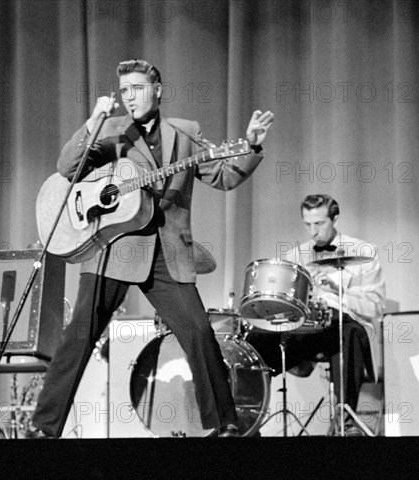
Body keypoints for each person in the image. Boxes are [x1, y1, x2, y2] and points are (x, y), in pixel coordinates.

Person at [28, 59, 274, 438]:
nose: (130, 97)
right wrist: (93, 120)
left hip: (166, 250)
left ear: (157, 90)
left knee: (197, 332)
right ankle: (44, 427)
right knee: (79, 335)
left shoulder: (185, 133)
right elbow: (67, 167)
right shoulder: (110, 131)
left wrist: (252, 145)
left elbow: (224, 177)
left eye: (138, 88)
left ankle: (224, 424)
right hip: (113, 245)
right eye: (124, 91)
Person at [245, 194, 385, 435]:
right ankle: (249, 418)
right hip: (304, 329)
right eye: (308, 224)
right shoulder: (295, 256)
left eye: (319, 223)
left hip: (341, 325)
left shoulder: (363, 253)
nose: (313, 231)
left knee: (349, 331)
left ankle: (346, 420)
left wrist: (339, 292)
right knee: (254, 341)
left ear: (335, 218)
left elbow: (375, 306)